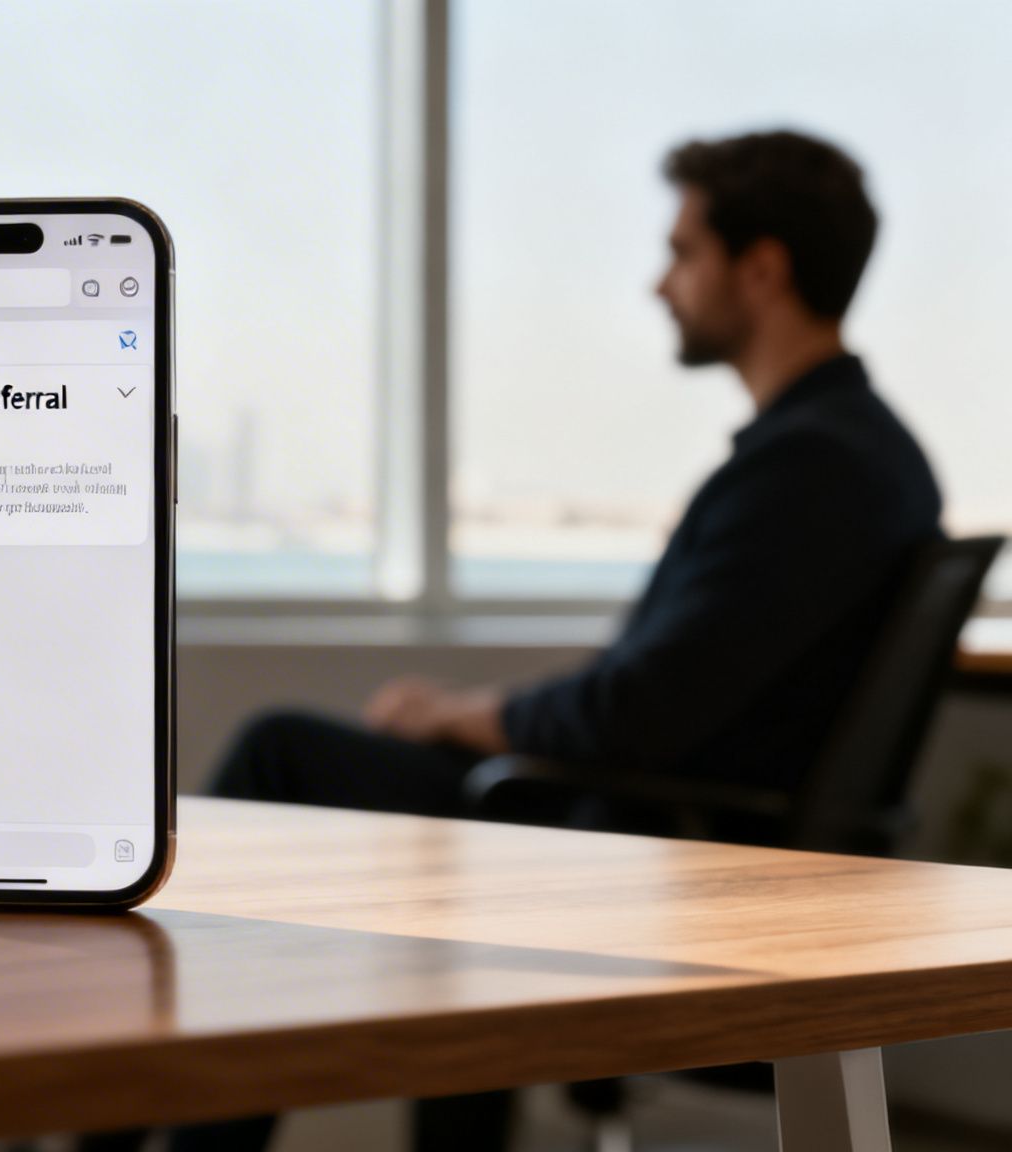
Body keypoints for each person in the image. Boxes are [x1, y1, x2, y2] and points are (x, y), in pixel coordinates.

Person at [189, 130, 944, 1152]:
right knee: (403, 788)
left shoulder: (808, 470)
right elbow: (661, 690)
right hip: (675, 844)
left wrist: (464, 714)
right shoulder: (865, 455)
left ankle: (140, 1134)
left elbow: (633, 713)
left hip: (670, 880)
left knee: (282, 752)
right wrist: (474, 719)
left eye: (682, 252)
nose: (657, 284)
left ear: (760, 269)